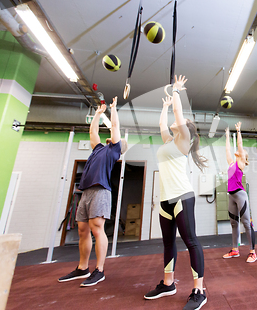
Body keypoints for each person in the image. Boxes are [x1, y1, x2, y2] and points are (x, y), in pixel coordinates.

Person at [144, 75, 208, 310]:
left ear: (185, 131)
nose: (176, 121)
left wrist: (178, 92)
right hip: (165, 200)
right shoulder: (169, 142)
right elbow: (163, 125)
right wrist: (164, 107)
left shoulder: (183, 142)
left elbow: (179, 117)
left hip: (182, 197)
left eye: (181, 122)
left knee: (191, 241)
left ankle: (198, 290)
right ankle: (168, 284)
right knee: (168, 242)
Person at [58, 96, 127, 287]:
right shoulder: (97, 149)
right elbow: (92, 131)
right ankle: (82, 268)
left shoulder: (113, 151)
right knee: (82, 230)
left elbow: (114, 127)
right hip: (86, 192)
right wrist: (97, 113)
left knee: (97, 228)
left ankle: (100, 270)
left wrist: (113, 109)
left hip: (100, 191)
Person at [222, 122, 257, 263]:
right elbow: (227, 150)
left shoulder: (240, 163)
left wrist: (238, 131)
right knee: (233, 223)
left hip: (240, 194)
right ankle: (235, 250)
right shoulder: (231, 162)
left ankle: (252, 252)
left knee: (246, 223)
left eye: (242, 152)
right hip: (231, 195)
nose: (240, 151)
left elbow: (240, 146)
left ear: (243, 156)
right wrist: (226, 137)